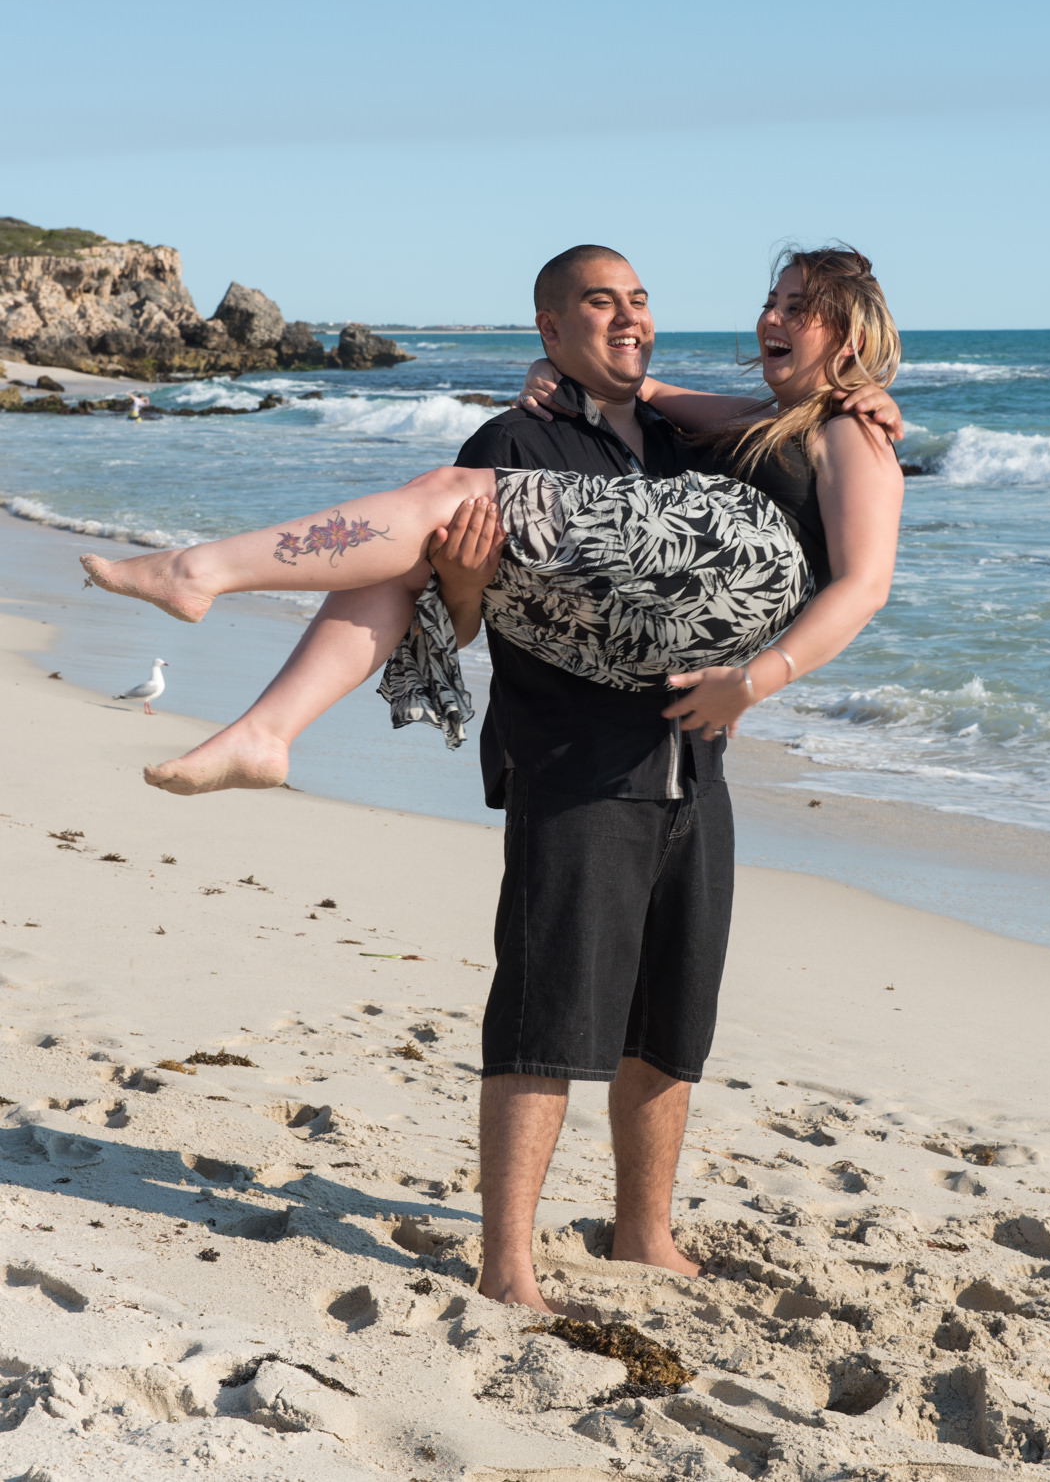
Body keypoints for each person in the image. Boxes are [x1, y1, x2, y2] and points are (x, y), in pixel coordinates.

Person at [79, 243, 904, 1311]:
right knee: (543, 1014)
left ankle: (641, 1231)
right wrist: (465, 570)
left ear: (843, 332)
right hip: (574, 760)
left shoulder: (713, 438)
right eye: (597, 307)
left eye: (640, 304)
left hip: (692, 754)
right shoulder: (519, 438)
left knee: (671, 1019)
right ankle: (507, 1262)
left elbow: (817, 522)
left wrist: (754, 675)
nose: (771, 318)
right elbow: (457, 620)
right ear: (548, 332)